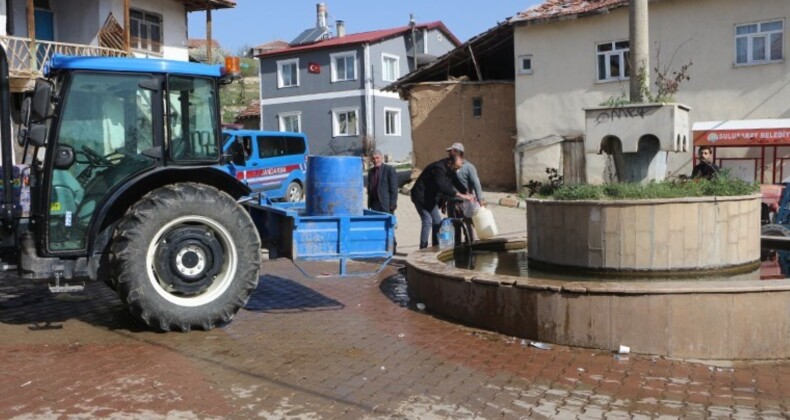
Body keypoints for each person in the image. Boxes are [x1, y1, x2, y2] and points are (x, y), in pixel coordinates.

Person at [410, 155, 474, 249]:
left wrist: (466, 192)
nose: (457, 170)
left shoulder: (450, 169)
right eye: (457, 167)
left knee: (437, 221)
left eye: (459, 168)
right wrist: (461, 195)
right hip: (420, 196)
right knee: (427, 220)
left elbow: (456, 181)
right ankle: (423, 248)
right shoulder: (438, 169)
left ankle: (435, 246)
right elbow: (443, 187)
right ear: (450, 163)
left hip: (430, 198)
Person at [447, 143, 484, 243]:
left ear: (456, 153)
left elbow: (476, 184)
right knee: (455, 228)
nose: (449, 154)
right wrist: (443, 202)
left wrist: (480, 201)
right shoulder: (449, 167)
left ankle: (471, 248)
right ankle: (458, 250)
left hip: (466, 204)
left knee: (468, 227)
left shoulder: (469, 167)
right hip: (452, 203)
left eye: (450, 152)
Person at [367, 150, 399, 252]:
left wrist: (392, 204)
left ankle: (392, 248)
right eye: (373, 158)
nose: (375, 160)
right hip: (375, 204)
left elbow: (394, 189)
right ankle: (381, 247)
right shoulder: (370, 172)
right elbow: (370, 188)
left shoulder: (389, 170)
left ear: (381, 158)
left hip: (386, 204)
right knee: (378, 226)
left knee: (389, 226)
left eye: (377, 158)